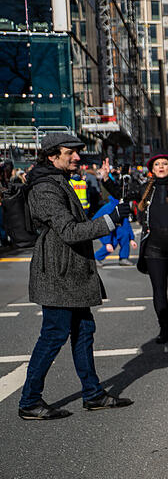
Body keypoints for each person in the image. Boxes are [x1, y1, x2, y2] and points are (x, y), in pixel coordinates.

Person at [18, 133, 134, 420]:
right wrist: (111, 219)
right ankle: (29, 401)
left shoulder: (58, 180)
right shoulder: (45, 187)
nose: (77, 157)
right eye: (70, 152)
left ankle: (93, 394)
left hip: (71, 270)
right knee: (54, 335)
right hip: (58, 272)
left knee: (83, 331)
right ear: (52, 156)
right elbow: (69, 231)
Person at [100, 154, 168, 343]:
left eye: (165, 164)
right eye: (157, 164)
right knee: (159, 290)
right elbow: (121, 193)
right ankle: (164, 330)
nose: (161, 167)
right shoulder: (145, 188)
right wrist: (106, 178)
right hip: (153, 246)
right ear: (152, 169)